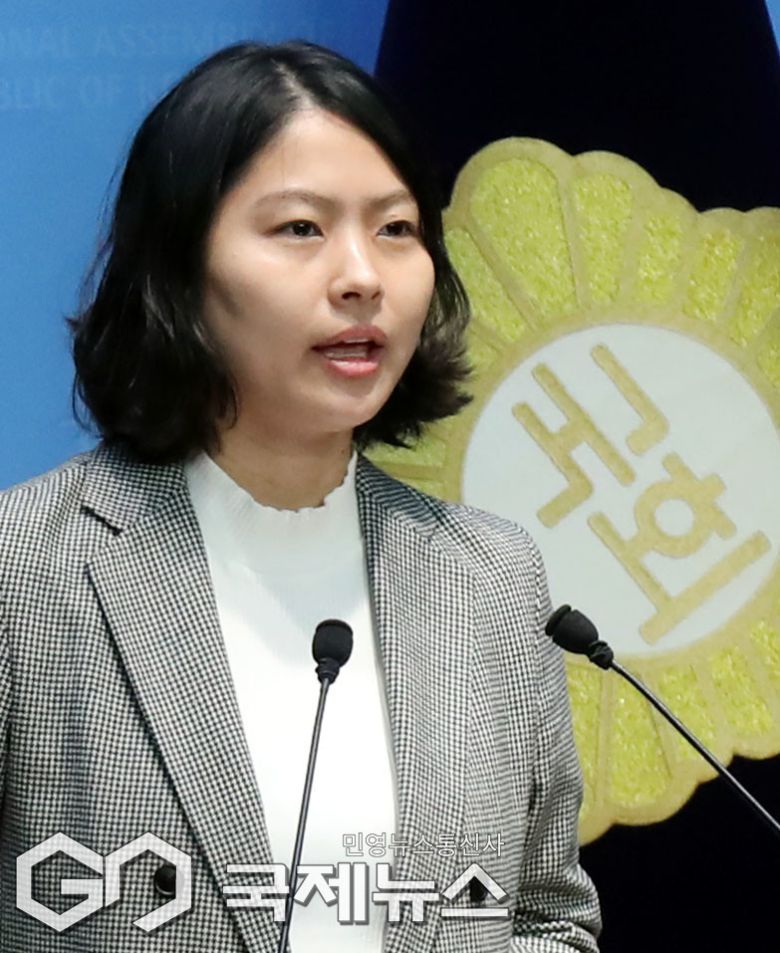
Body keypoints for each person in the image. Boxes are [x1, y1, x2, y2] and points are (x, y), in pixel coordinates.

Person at [0, 41, 601, 952]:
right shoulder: (26, 566)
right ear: (179, 268)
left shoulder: (491, 576)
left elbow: (545, 918)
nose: (362, 276)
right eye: (300, 229)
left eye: (395, 229)